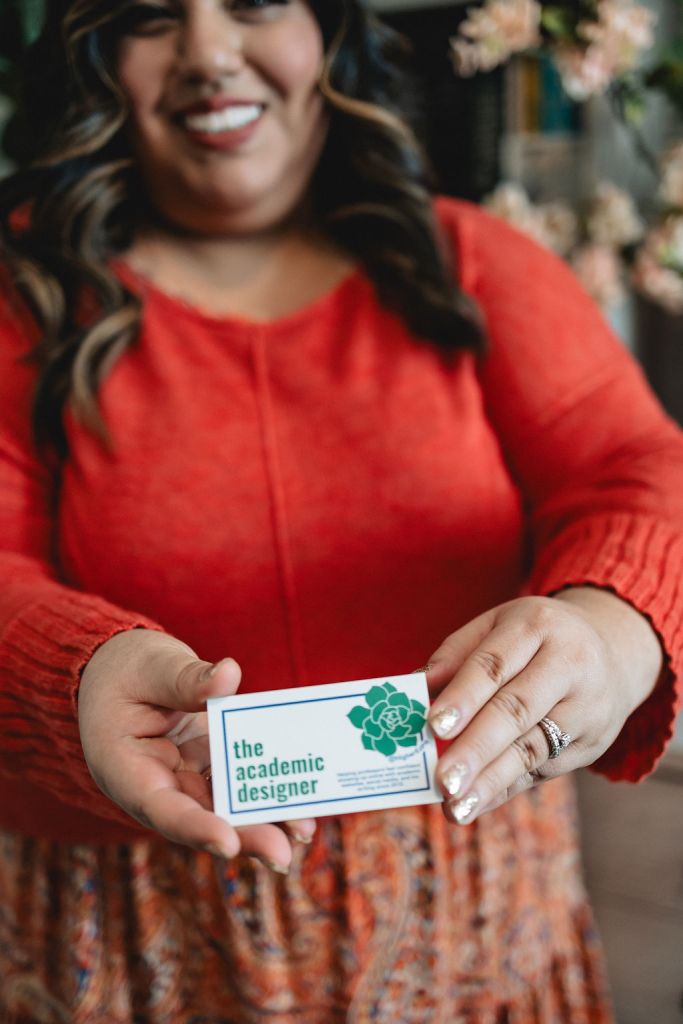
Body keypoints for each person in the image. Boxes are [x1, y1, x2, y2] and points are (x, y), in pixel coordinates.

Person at [0, 0, 681, 1020]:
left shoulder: (478, 264)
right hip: (126, 933)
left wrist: (609, 620)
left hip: (470, 919)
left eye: (253, 3)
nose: (207, 52)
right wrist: (73, 674)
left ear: (327, 31)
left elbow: (636, 468)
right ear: (96, 57)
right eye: (150, 15)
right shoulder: (25, 297)